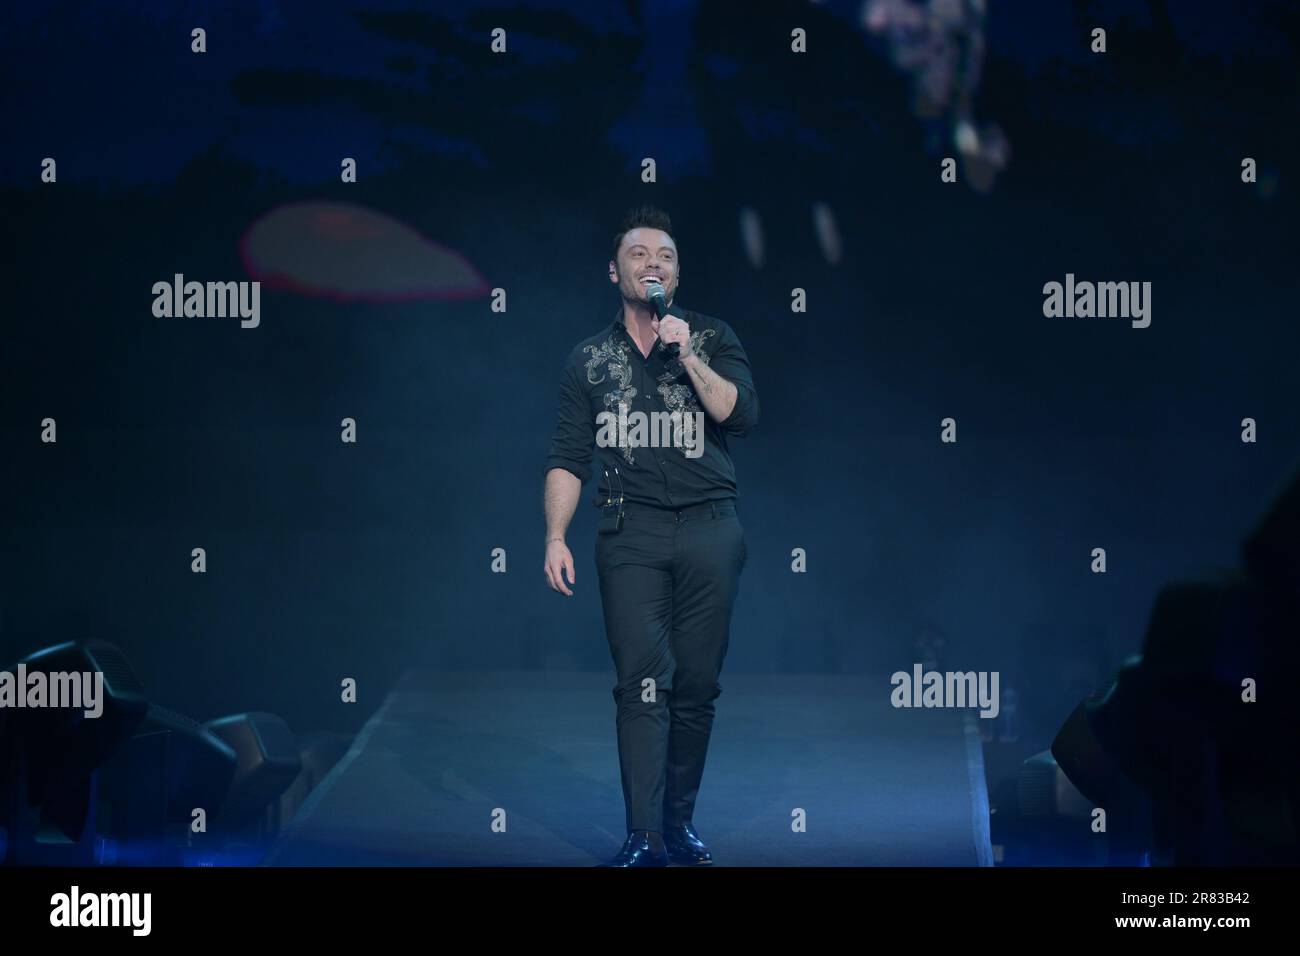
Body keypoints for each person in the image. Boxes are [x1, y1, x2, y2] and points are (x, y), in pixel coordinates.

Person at [542, 204, 759, 866]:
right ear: (615, 272)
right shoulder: (588, 359)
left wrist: (686, 352)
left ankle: (679, 824)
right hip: (628, 533)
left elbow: (740, 414)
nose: (653, 265)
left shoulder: (712, 337)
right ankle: (639, 833)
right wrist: (556, 535)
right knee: (641, 683)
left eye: (664, 256)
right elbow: (568, 456)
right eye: (639, 255)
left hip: (710, 531)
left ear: (678, 272)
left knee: (695, 684)